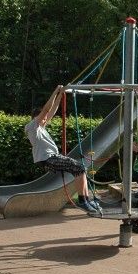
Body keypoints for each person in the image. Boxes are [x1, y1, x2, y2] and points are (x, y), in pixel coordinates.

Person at [25, 85, 98, 213]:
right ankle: (82, 202)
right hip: (47, 159)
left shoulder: (41, 127)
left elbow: (53, 109)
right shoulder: (32, 127)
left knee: (82, 169)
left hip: (52, 157)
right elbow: (47, 109)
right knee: (79, 168)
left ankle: (86, 200)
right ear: (36, 118)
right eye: (43, 117)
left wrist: (62, 94)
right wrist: (56, 90)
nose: (46, 119)